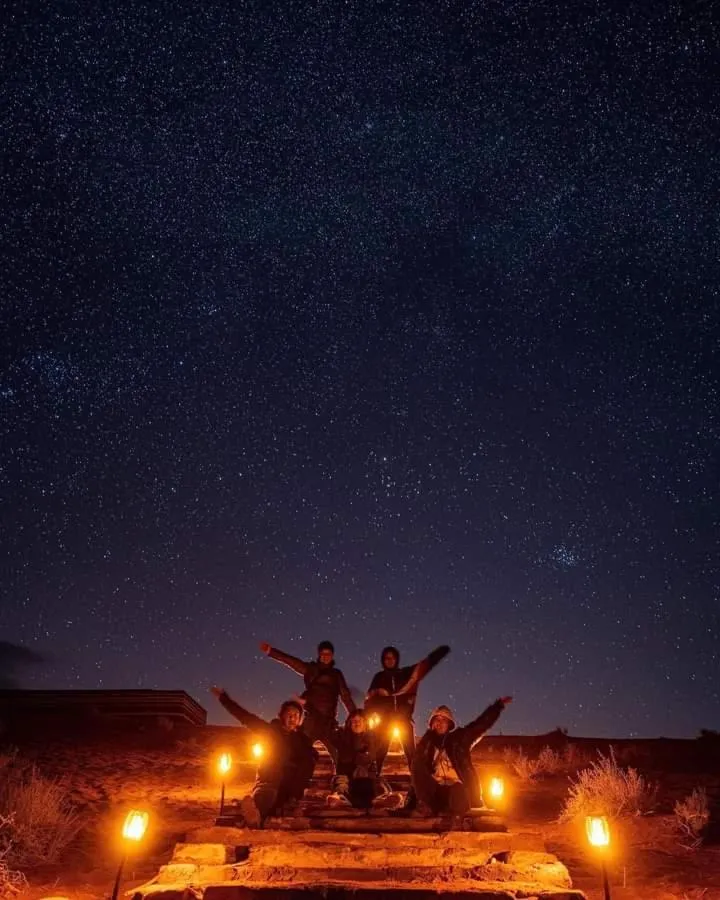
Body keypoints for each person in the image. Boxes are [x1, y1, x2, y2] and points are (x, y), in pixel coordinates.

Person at [210, 686, 317, 827]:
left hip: (290, 787)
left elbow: (308, 762)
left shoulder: (302, 740)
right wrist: (224, 699)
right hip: (269, 780)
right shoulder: (269, 731)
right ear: (282, 716)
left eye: (296, 715)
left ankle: (256, 815)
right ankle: (254, 815)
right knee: (267, 795)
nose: (292, 718)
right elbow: (246, 718)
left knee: (282, 798)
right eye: (289, 714)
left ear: (300, 720)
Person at [411, 696, 512, 816]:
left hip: (458, 791)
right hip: (436, 792)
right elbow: (418, 771)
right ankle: (427, 807)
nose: (439, 723)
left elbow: (480, 725)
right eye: (436, 719)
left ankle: (456, 816)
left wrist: (497, 706)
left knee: (458, 790)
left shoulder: (459, 740)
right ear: (431, 724)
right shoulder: (426, 745)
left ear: (449, 725)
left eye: (444, 720)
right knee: (417, 765)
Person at [259, 640, 356, 762]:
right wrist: (271, 651)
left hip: (328, 720)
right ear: (319, 655)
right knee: (302, 749)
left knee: (335, 753)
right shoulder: (311, 669)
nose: (325, 656)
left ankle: (338, 773)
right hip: (311, 718)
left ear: (332, 656)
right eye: (323, 653)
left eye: (328, 654)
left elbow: (346, 696)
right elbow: (292, 662)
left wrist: (356, 715)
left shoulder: (336, 675)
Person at [365, 644, 450, 773]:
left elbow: (423, 667)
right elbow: (370, 700)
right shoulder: (379, 677)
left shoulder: (405, 674)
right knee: (380, 752)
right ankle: (374, 778)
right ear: (383, 660)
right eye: (387, 658)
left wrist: (438, 654)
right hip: (385, 720)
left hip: (403, 719)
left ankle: (417, 779)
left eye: (392, 658)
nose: (389, 660)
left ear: (396, 659)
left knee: (411, 753)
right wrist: (367, 716)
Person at [326, 709, 402, 810]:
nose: (357, 723)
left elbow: (385, 732)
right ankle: (339, 799)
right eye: (354, 721)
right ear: (349, 724)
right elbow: (330, 734)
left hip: (368, 777)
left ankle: (383, 799)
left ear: (365, 723)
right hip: (348, 775)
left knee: (379, 782)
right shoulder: (342, 737)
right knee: (341, 782)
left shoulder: (373, 738)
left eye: (360, 720)